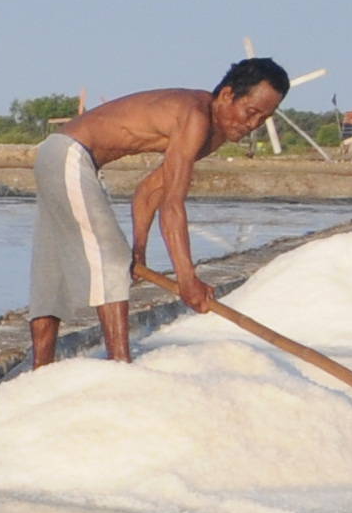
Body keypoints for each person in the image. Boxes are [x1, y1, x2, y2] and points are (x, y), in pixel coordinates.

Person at [27, 56, 290, 368]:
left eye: (264, 119)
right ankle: (120, 365)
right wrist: (187, 278)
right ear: (228, 95)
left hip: (58, 154)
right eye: (251, 112)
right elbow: (173, 205)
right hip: (69, 153)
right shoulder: (194, 115)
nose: (252, 125)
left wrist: (139, 251)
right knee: (111, 259)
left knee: (51, 272)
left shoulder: (211, 133)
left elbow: (149, 192)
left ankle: (40, 371)